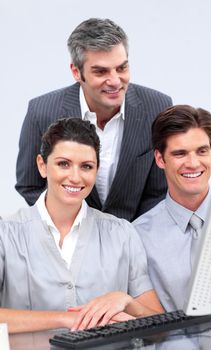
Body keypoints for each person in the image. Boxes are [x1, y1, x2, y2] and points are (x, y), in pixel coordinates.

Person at [0, 118, 163, 334]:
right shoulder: (6, 233)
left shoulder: (122, 233)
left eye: (86, 166)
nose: (75, 177)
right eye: (63, 164)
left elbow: (161, 327)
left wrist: (127, 302)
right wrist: (68, 319)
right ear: (42, 165)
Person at [15, 18, 172, 222]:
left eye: (122, 68)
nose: (115, 81)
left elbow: (158, 191)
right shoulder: (41, 111)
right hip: (68, 243)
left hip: (136, 239)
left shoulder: (158, 107)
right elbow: (30, 186)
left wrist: (127, 238)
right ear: (76, 72)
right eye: (101, 71)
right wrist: (73, 231)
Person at [133, 105, 211, 311]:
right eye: (180, 153)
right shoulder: (138, 237)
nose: (193, 163)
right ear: (160, 159)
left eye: (202, 151)